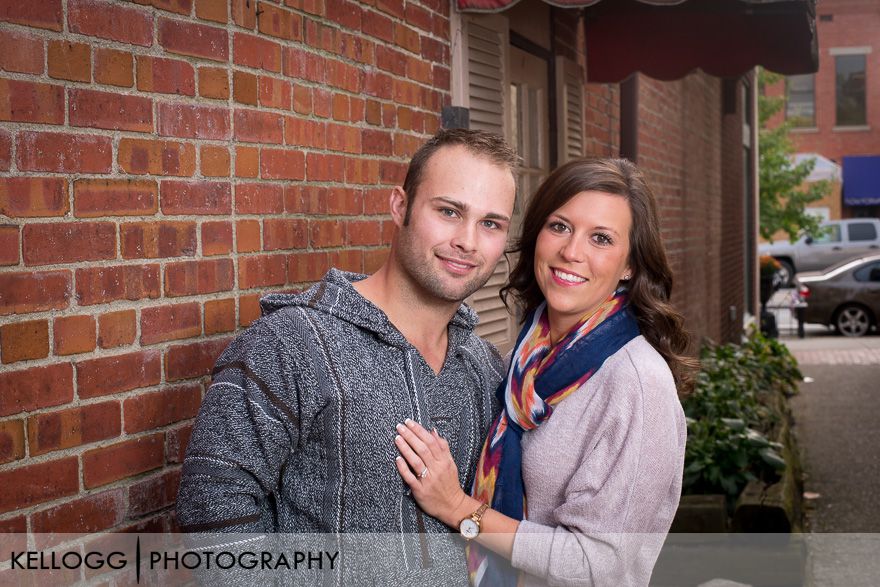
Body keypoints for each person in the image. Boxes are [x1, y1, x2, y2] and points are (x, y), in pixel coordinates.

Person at [176, 129, 518, 583]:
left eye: (490, 223)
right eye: (449, 211)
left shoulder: (485, 366)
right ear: (400, 207)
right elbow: (213, 506)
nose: (468, 241)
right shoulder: (291, 341)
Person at [394, 158, 695, 586]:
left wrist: (457, 508)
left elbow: (597, 565)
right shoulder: (527, 358)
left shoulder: (636, 384)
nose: (572, 252)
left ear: (630, 265)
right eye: (560, 226)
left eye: (602, 238)